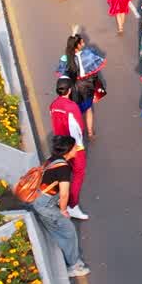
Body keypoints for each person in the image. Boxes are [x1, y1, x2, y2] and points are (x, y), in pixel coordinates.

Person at [27, 135, 90, 278]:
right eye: (75, 147)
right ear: (68, 151)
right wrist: (63, 210)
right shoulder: (64, 169)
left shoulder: (53, 159)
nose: (77, 149)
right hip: (45, 205)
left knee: (59, 228)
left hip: (38, 198)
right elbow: (64, 194)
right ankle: (74, 266)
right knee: (68, 230)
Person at [49, 78, 90, 221]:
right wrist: (78, 147)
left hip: (59, 144)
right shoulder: (72, 107)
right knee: (78, 175)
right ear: (70, 90)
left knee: (63, 174)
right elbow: (77, 129)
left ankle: (61, 200)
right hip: (74, 147)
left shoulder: (53, 105)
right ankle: (72, 206)